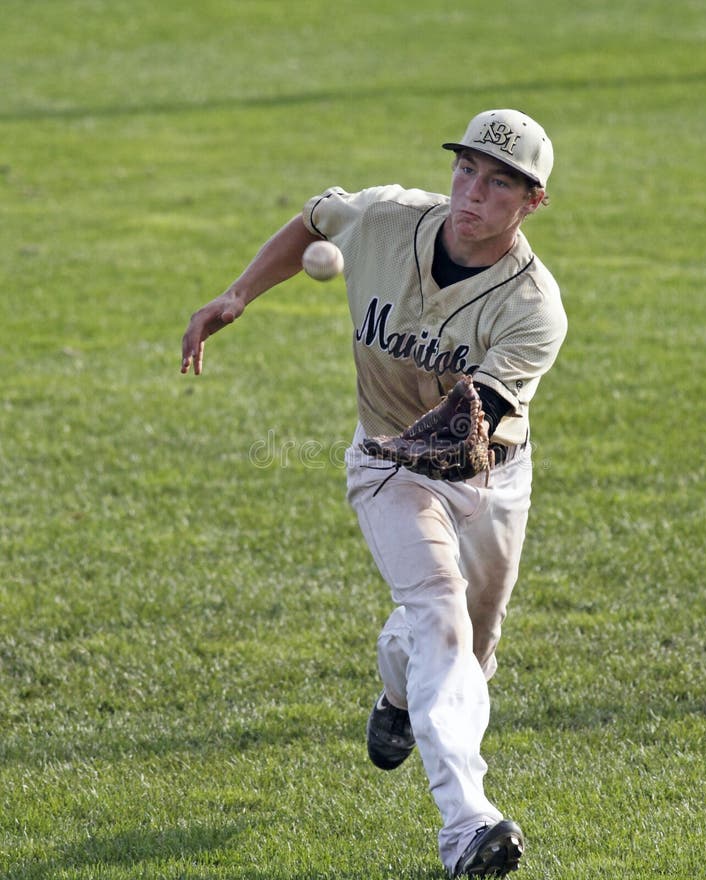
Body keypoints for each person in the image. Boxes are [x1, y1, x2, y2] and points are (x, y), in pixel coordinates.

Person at [181, 108, 567, 877]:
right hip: (389, 465)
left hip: (488, 476)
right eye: (466, 170)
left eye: (500, 183)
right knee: (443, 628)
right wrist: (237, 295)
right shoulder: (389, 219)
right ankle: (467, 824)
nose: (473, 193)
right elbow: (314, 219)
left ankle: (396, 690)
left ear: (532, 203)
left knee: (473, 648)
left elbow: (475, 419)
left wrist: (425, 447)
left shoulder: (533, 309)